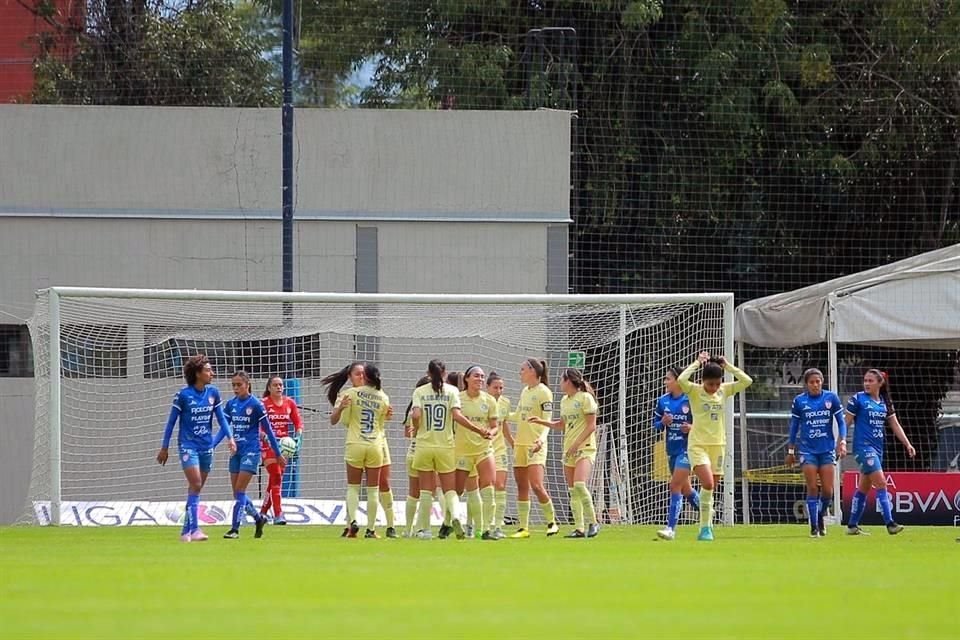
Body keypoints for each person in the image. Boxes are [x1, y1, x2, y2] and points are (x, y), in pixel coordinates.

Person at [156, 354, 236, 542]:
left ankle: (187, 532)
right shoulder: (183, 395)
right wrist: (164, 447)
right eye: (208, 370)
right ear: (198, 373)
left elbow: (221, 418)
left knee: (195, 489)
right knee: (196, 483)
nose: (212, 373)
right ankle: (195, 529)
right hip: (188, 446)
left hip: (206, 447)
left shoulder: (213, 393)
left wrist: (230, 438)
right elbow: (171, 423)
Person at [411, 359, 493, 539]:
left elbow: (416, 414)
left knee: (426, 490)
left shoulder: (420, 391)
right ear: (445, 373)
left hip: (424, 445)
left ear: (428, 373)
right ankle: (455, 517)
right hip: (446, 446)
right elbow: (457, 416)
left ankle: (424, 530)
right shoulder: (453, 391)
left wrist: (416, 428)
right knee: (450, 490)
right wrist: (478, 429)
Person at [677, 351, 753, 541]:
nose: (714, 388)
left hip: (718, 445)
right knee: (708, 483)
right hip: (698, 445)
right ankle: (705, 528)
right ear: (703, 381)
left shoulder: (723, 391)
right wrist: (697, 362)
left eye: (717, 383)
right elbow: (681, 379)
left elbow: (746, 381)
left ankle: (705, 527)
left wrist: (727, 366)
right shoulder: (694, 390)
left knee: (710, 489)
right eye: (710, 384)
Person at [530, 368, 601, 538]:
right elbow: (561, 424)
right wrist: (541, 421)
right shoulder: (564, 401)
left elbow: (592, 425)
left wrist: (577, 443)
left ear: (568, 381)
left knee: (579, 485)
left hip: (585, 447)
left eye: (562, 380)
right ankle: (579, 528)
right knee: (572, 490)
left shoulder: (585, 398)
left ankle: (593, 522)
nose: (560, 384)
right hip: (568, 449)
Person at [325, 362, 392, 539]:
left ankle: (353, 522)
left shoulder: (349, 394)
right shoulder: (382, 396)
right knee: (373, 489)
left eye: (363, 374)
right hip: (375, 444)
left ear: (367, 377)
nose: (360, 377)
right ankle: (370, 529)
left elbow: (334, 421)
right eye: (357, 374)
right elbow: (382, 420)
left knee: (353, 487)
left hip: (355, 443)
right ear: (350, 376)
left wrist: (340, 408)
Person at [845, 369, 916, 535]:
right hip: (863, 448)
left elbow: (895, 424)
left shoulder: (884, 402)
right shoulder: (858, 399)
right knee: (882, 483)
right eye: (865, 380)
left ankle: (852, 526)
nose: (866, 384)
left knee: (864, 487)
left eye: (870, 381)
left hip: (878, 449)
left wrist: (907, 444)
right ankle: (890, 524)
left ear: (880, 383)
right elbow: (845, 422)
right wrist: (840, 441)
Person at [220, 371, 283, 539]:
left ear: (247, 385)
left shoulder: (255, 404)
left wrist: (277, 453)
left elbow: (268, 430)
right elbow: (224, 429)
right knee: (237, 493)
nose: (235, 388)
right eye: (233, 385)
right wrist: (211, 445)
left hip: (251, 451)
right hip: (236, 452)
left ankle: (235, 529)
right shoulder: (230, 404)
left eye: (239, 385)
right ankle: (258, 518)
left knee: (240, 490)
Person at [785, 368, 845, 537]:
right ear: (806, 384)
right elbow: (794, 427)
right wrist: (791, 450)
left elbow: (841, 422)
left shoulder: (831, 398)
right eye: (811, 382)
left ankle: (820, 515)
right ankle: (813, 527)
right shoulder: (800, 401)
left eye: (818, 381)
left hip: (826, 450)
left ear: (822, 381)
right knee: (812, 487)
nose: (815, 385)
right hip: (807, 450)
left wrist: (842, 441)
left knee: (828, 491)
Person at [510, 358, 559, 538]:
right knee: (521, 485)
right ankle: (523, 528)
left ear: (532, 371)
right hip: (520, 444)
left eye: (522, 369)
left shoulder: (544, 392)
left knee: (537, 484)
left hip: (535, 444)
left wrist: (541, 440)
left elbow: (547, 420)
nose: (520, 372)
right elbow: (518, 415)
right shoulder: (524, 391)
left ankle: (552, 522)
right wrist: (500, 414)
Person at [654, 366, 700, 541]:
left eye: (668, 379)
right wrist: (662, 422)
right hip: (672, 450)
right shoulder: (663, 401)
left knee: (674, 486)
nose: (665, 382)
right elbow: (655, 425)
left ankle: (670, 529)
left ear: (679, 381)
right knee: (686, 489)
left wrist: (692, 428)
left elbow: (703, 426)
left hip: (688, 450)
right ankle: (707, 512)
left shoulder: (691, 399)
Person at [456, 365, 500, 541]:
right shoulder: (458, 399)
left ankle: (487, 529)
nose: (480, 379)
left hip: (484, 448)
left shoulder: (489, 400)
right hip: (462, 451)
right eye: (476, 376)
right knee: (461, 491)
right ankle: (456, 524)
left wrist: (491, 432)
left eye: (482, 377)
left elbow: (495, 426)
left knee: (488, 488)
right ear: (466, 379)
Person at [260, 375, 303, 525]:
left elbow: (298, 423)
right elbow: (257, 425)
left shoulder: (289, 403)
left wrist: (298, 438)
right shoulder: (264, 403)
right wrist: (264, 436)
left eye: (281, 385)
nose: (279, 387)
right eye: (276, 385)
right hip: (268, 446)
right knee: (276, 476)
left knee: (273, 482)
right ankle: (279, 515)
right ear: (269, 388)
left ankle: (263, 513)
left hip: (284, 447)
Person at [403, 376, 432, 537]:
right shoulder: (429, 407)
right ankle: (420, 528)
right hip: (426, 451)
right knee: (428, 492)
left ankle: (407, 529)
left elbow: (407, 433)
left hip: (412, 452)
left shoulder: (412, 409)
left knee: (413, 492)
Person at [486, 371, 511, 538]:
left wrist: (512, 441)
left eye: (501, 387)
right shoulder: (482, 401)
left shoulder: (505, 403)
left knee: (500, 486)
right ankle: (482, 523)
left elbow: (504, 424)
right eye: (495, 387)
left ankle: (497, 525)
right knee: (485, 487)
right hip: (483, 449)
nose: (499, 390)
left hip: (500, 449)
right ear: (488, 388)